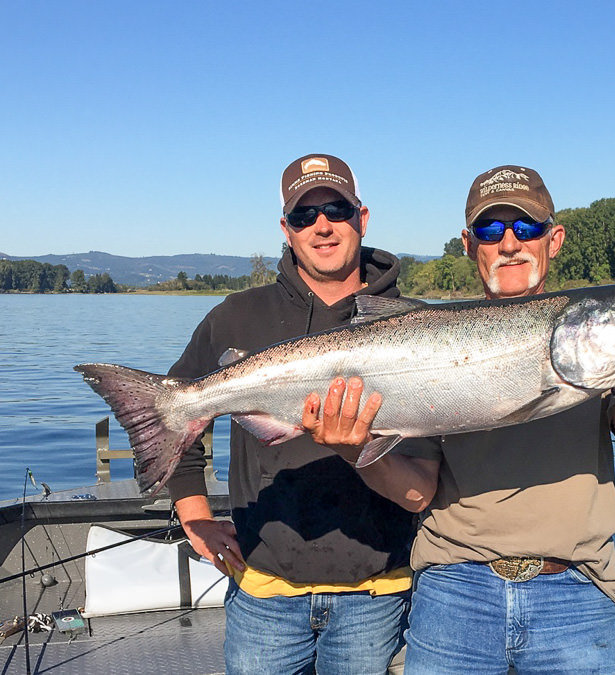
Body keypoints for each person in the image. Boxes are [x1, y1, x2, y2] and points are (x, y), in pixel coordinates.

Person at [310, 164, 615, 674]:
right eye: (490, 230)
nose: (509, 243)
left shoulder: (594, 348)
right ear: (468, 243)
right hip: (454, 591)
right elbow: (416, 493)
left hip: (577, 591)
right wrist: (352, 448)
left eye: (526, 228)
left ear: (555, 238)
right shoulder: (432, 347)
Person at [166, 154, 415, 675]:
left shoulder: (416, 325)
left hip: (378, 593)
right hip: (263, 593)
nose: (322, 226)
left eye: (336, 210)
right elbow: (174, 415)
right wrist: (194, 518)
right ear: (287, 228)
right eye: (305, 216)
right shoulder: (234, 316)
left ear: (361, 218)